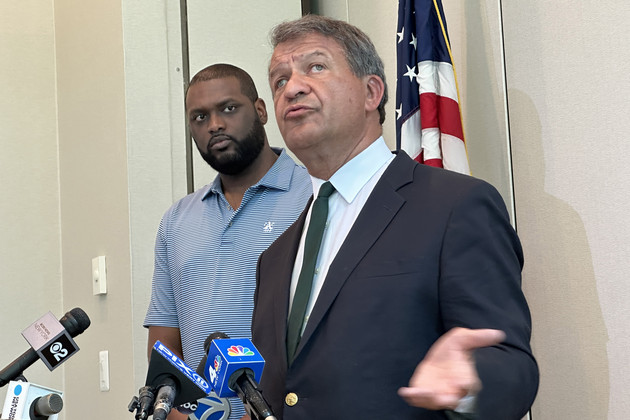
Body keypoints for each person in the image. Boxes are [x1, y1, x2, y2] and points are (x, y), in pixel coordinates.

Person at [251, 15, 539, 420]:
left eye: (315, 67)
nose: (292, 88)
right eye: (279, 80)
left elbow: (512, 367)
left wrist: (470, 382)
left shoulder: (455, 207)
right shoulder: (274, 259)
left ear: (372, 92)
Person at [144, 63, 312, 420]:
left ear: (261, 110)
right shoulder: (176, 221)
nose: (215, 125)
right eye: (200, 117)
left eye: (229, 108)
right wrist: (177, 414)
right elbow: (165, 340)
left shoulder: (311, 196)